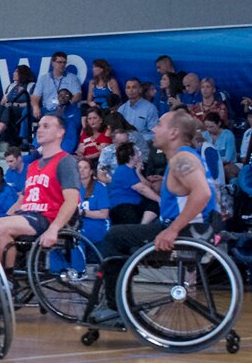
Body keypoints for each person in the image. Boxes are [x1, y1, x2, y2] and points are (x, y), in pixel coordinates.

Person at [89, 110, 214, 326]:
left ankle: (114, 308)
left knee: (114, 236)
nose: (154, 129)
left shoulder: (183, 158)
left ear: (174, 132)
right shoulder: (181, 158)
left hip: (189, 231)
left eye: (159, 124)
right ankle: (122, 284)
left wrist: (173, 229)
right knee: (125, 238)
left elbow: (202, 194)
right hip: (195, 228)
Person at [0, 111, 81, 270]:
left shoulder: (65, 161)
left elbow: (72, 200)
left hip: (46, 217)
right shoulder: (33, 165)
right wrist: (7, 215)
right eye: (39, 126)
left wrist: (54, 228)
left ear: (60, 132)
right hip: (26, 214)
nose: (39, 130)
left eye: (46, 126)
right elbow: (23, 199)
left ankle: (4, 281)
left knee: (0, 227)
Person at [31, 49, 84, 115]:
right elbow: (35, 96)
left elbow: (77, 95)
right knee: (26, 111)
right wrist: (36, 107)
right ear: (52, 63)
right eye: (59, 62)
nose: (62, 65)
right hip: (47, 108)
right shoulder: (43, 78)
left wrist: (68, 103)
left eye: (64, 63)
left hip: (64, 108)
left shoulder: (72, 78)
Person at [106, 142, 147, 226]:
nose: (139, 154)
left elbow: (147, 186)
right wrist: (159, 199)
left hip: (132, 207)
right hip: (124, 208)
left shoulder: (132, 171)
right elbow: (142, 189)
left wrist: (138, 172)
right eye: (136, 152)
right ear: (131, 156)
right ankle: (141, 227)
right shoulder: (123, 170)